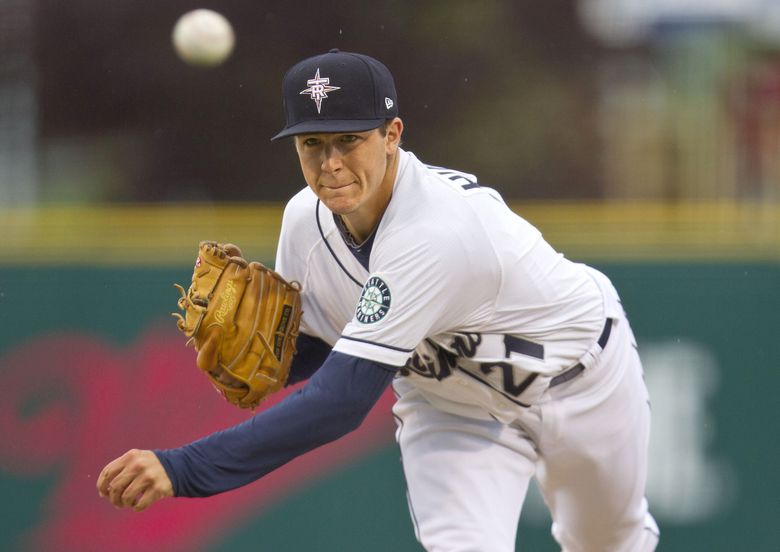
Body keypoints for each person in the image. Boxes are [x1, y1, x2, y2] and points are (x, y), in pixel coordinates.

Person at [97, 49, 659, 551]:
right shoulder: (303, 223)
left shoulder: (438, 233)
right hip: (455, 410)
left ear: (392, 135)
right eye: (312, 143)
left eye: (349, 139)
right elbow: (321, 345)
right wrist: (271, 363)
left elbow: (339, 401)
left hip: (581, 381)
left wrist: (182, 467)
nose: (330, 163)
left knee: (610, 544)